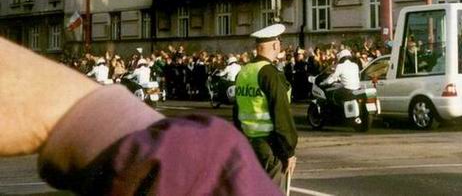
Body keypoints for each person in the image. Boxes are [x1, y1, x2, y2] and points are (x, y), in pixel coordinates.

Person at [0, 36, 281, 195]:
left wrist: (82, 110)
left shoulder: (246, 71)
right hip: (262, 137)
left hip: (253, 135)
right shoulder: (259, 72)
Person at [233, 23, 297, 192]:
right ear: (275, 45)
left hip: (248, 142)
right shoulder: (270, 73)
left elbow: (237, 111)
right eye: (280, 43)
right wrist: (288, 151)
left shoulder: (244, 72)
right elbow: (280, 114)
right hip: (268, 145)